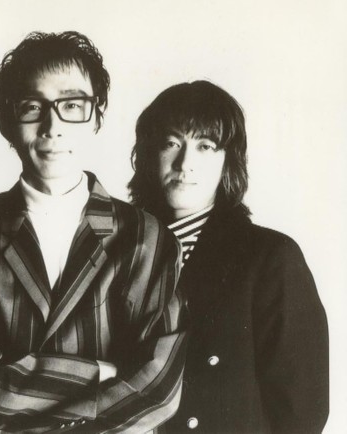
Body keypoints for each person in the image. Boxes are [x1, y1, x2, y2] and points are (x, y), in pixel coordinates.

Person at [0, 31, 188, 433]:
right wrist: (99, 373)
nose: (52, 126)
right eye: (32, 106)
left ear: (97, 116)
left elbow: (158, 389)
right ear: (6, 122)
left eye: (72, 105)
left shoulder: (148, 238)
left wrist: (17, 391)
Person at [128, 80, 329, 433]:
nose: (185, 163)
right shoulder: (120, 252)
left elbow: (302, 412)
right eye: (172, 143)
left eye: (205, 146)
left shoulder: (270, 258)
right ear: (149, 154)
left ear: (228, 161)